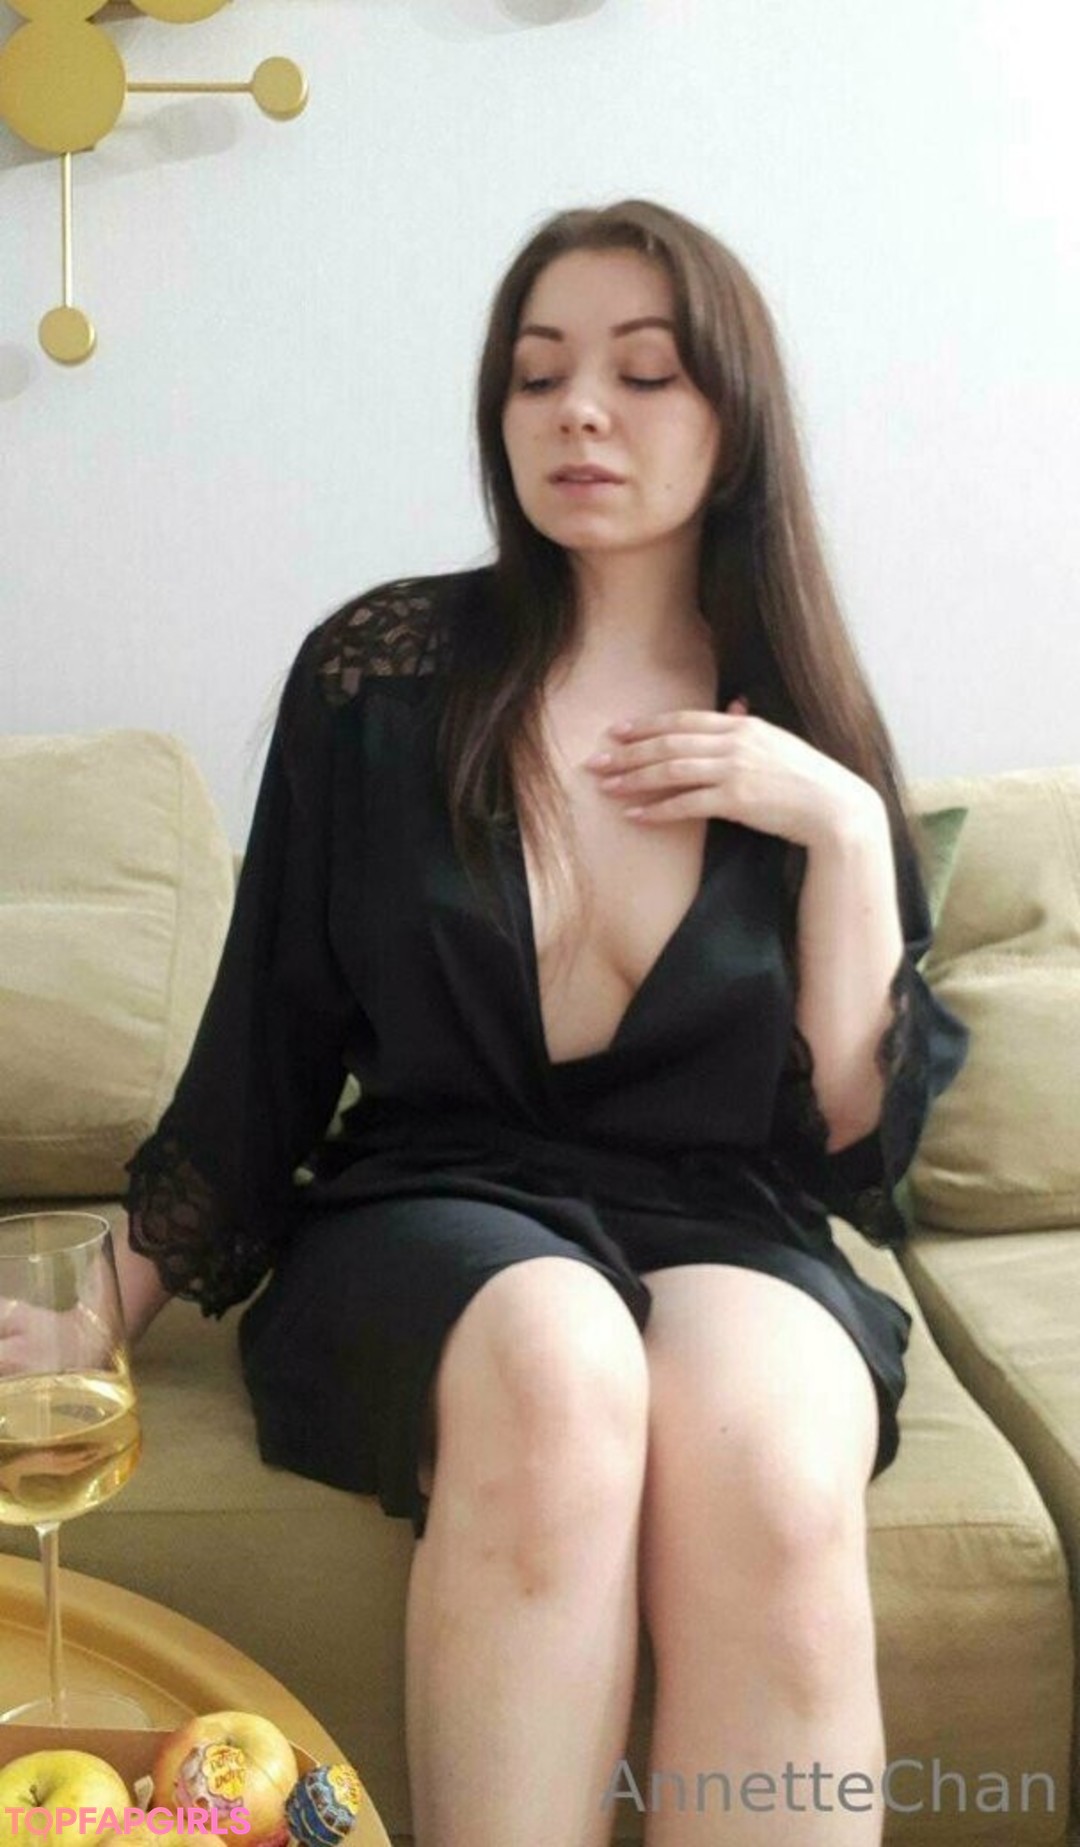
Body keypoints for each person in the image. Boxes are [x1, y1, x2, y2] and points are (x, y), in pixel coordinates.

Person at [118, 199, 969, 1847]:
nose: (579, 412)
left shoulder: (800, 715)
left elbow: (850, 1145)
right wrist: (102, 1304)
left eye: (642, 375)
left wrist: (846, 828)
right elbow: (267, 1040)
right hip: (434, 1205)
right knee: (561, 1359)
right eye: (537, 375)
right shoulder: (380, 674)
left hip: (722, 1217)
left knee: (775, 1475)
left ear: (733, 421)